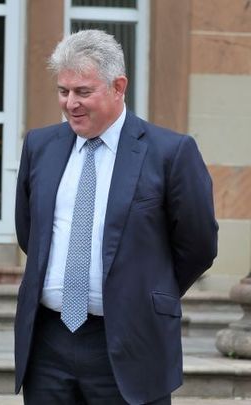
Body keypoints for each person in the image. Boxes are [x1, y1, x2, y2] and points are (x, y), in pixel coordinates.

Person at [14, 30, 218, 404]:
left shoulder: (170, 152)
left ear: (118, 86)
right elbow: (31, 233)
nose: (70, 103)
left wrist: (144, 291)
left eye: (83, 92)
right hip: (48, 344)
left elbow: (199, 245)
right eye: (63, 91)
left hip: (130, 343)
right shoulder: (40, 146)